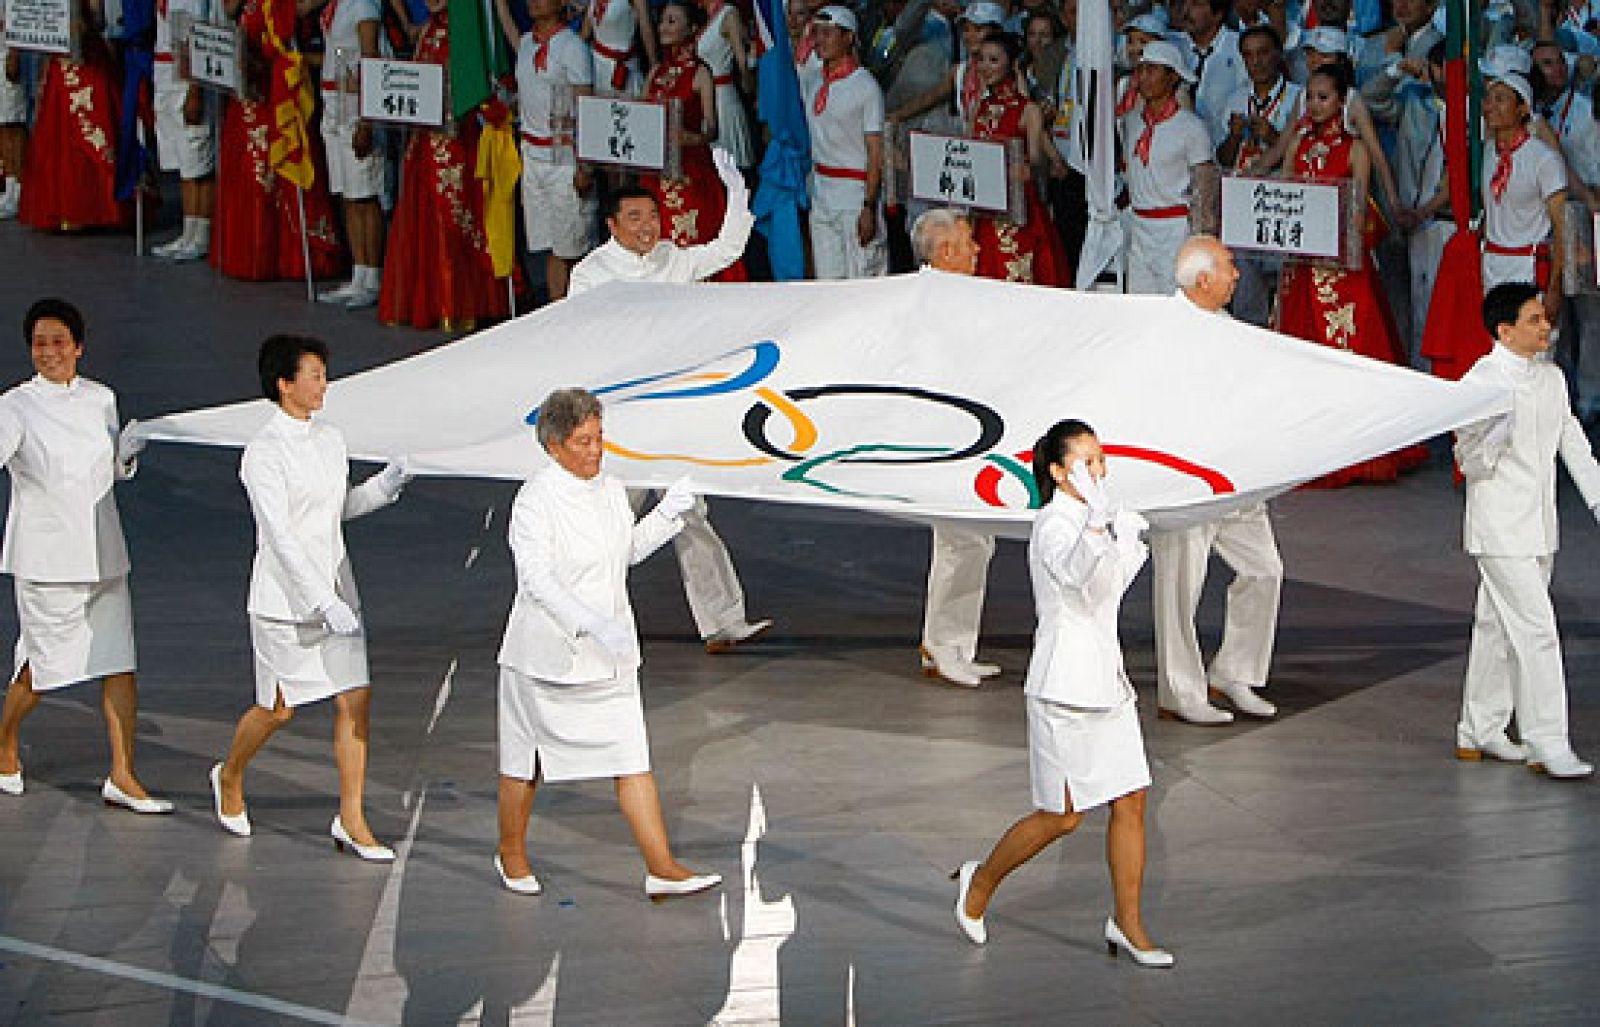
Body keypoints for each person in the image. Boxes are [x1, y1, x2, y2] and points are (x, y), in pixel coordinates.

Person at [952, 418, 1171, 968]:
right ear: (1057, 471)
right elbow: (1074, 577)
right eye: (1086, 462)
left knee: (1132, 800)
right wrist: (1099, 530)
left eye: (1101, 460)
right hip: (1064, 687)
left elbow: (1106, 592)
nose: (1099, 470)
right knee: (1063, 815)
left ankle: (1128, 923)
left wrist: (1124, 540)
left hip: (1108, 683)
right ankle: (980, 882)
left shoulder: (1097, 519)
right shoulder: (1053, 523)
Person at [494, 387, 723, 899]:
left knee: (631, 758)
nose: (595, 451)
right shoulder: (534, 501)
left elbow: (628, 552)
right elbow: (537, 581)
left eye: (599, 439)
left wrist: (670, 514)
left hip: (610, 656)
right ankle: (511, 852)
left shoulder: (611, 489)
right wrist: (590, 622)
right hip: (545, 658)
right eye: (582, 442)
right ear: (553, 445)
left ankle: (661, 866)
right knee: (526, 762)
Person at [209, 335, 409, 858]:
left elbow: (333, 511)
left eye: (324, 374)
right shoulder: (263, 454)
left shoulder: (330, 438)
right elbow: (280, 536)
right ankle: (230, 776)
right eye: (315, 374)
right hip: (284, 601)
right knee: (277, 710)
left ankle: (352, 817)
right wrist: (322, 601)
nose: (324, 384)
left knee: (355, 702)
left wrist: (383, 488)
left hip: (338, 593)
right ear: (284, 384)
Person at [568, 167, 774, 654]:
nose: (648, 226)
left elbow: (725, 251)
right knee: (613, 518)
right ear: (612, 227)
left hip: (675, 412)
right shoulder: (591, 275)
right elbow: (577, 340)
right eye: (635, 218)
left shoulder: (671, 259)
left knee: (690, 510)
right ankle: (581, 614)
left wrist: (737, 196)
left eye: (654, 217)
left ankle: (723, 622)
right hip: (621, 415)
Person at [0, 300, 170, 812]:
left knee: (119, 664)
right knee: (43, 668)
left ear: (78, 346)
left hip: (104, 550)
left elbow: (108, 469)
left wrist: (127, 452)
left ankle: (123, 774)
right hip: (48, 557)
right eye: (39, 343)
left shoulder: (102, 398)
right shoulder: (14, 405)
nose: (48, 352)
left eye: (58, 341)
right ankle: (4, 743)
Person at [1453, 282, 1600, 779]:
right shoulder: (1482, 381)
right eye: (1535, 319)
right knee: (1538, 631)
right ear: (1505, 330)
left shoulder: (1551, 378)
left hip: (1539, 525)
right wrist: (1493, 437)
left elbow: (1572, 441)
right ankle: (1547, 741)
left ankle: (1479, 727)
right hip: (1499, 528)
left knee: (1495, 626)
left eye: (1545, 317)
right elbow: (1468, 461)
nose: (1546, 326)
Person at [1273, 63, 1427, 487]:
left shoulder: (1356, 148)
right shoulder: (1299, 144)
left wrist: (1345, 243)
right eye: (1311, 97)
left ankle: (1357, 446)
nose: (1316, 105)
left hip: (1342, 266)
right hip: (1302, 265)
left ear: (1342, 101)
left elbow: (1360, 205)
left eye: (1324, 97)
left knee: (1350, 350)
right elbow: (1285, 193)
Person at [1151, 237, 1283, 725]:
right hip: (1185, 480)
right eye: (1229, 266)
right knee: (1181, 587)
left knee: (1264, 569)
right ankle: (1179, 693)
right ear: (1203, 278)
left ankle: (1234, 672)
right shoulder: (1163, 333)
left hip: (1237, 477)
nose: (1237, 274)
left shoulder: (1231, 329)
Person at [377, 0, 509, 331]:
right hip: (425, 140)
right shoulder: (429, 31)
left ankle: (459, 302)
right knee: (424, 216)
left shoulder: (465, 29)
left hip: (455, 141)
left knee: (453, 217)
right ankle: (430, 301)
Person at [911, 208, 1002, 687]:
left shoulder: (961, 296)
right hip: (946, 437)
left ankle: (953, 643)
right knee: (959, 541)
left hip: (975, 433)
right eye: (969, 243)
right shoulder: (924, 300)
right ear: (945, 250)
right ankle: (942, 643)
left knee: (974, 542)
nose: (977, 250)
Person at [210, 0, 345, 281]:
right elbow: (229, 10)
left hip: (280, 88)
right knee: (251, 169)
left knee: (280, 170)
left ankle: (296, 254)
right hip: (249, 89)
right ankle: (254, 252)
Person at [496, 0, 597, 303]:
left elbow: (587, 109)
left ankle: (581, 312)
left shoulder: (572, 47)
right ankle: (557, 310)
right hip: (534, 156)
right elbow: (508, 27)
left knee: (573, 246)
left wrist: (585, 166)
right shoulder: (527, 43)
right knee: (552, 247)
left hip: (564, 161)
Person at [638, 0, 745, 280]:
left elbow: (712, 128)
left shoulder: (700, 72)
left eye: (672, 21)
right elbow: (639, 117)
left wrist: (690, 137)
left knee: (694, 240)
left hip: (690, 172)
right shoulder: (655, 73)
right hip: (656, 171)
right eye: (662, 21)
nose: (663, 27)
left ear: (692, 29)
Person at [968, 31, 1069, 285]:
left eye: (994, 60)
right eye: (982, 59)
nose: (985, 67)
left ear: (1012, 64)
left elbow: (1036, 164)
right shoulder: (979, 108)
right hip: (984, 209)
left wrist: (1024, 170)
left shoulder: (1028, 110)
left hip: (1017, 212)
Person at [19, 0, 127, 232]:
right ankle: (66, 208)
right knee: (60, 136)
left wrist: (84, 23)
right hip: (60, 61)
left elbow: (98, 19)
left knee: (93, 130)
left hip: (85, 59)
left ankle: (99, 206)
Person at [1217, 25, 1300, 325]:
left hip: (1284, 206)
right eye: (1249, 55)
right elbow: (1223, 160)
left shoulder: (1299, 98)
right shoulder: (1235, 99)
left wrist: (1274, 136)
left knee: (1287, 301)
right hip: (1244, 211)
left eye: (1264, 52)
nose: (1257, 61)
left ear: (1278, 55)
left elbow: (1306, 153)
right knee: (1247, 304)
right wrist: (1234, 138)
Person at [1119, 40, 1214, 295]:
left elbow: (1204, 188)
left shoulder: (1192, 128)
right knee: (1139, 304)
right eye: (1142, 70)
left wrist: (1201, 241)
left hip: (1175, 229)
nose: (1144, 77)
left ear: (1172, 77)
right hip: (1140, 226)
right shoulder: (1130, 123)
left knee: (1177, 303)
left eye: (1153, 70)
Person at [802, 5, 888, 279]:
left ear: (848, 37)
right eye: (818, 34)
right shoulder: (814, 82)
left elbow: (875, 151)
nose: (821, 40)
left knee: (861, 276)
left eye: (829, 33)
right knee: (828, 281)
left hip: (853, 193)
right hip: (822, 192)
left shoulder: (865, 86)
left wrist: (869, 205)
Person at [314, 0, 388, 309]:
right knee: (348, 194)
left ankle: (373, 275)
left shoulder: (363, 6)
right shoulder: (335, 5)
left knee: (365, 195)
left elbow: (370, 58)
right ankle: (358, 273)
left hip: (357, 104)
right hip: (334, 102)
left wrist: (366, 119)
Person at [1478, 70, 1567, 327]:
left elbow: (1562, 229)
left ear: (1523, 108)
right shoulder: (1488, 153)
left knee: (1534, 352)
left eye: (1500, 99)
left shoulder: (1544, 159)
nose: (1489, 106)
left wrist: (1554, 288)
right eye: (1489, 99)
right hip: (1493, 266)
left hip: (1529, 268)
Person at [149, 0, 218, 261]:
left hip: (186, 76)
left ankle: (202, 232)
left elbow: (197, 37)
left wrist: (195, 90)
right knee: (181, 157)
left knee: (197, 153)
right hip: (166, 72)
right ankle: (188, 230)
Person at [1178, 0, 1251, 147]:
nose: (1186, 10)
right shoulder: (1174, 45)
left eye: (1196, 4)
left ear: (1218, 15)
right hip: (1179, 149)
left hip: (1225, 150)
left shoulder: (1240, 48)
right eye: (1185, 2)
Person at [696, 0, 756, 169]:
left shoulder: (729, 14)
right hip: (707, 96)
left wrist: (749, 88)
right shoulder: (709, 18)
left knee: (729, 159)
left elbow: (741, 59)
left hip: (723, 97)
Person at [584, 0, 655, 97]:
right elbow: (585, 31)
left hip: (622, 67)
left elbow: (646, 29)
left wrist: (654, 65)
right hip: (595, 66)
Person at [0, 0, 27, 219]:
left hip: (7, 51)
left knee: (12, 124)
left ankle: (17, 190)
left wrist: (14, 52)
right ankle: (8, 187)